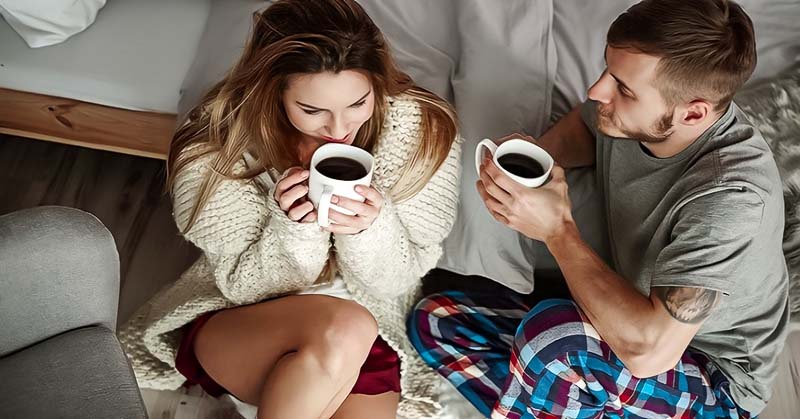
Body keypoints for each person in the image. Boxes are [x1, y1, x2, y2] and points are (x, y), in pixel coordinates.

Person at [409, 0, 789, 417]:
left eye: (623, 88)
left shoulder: (730, 200)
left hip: (711, 380)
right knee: (437, 318)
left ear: (694, 113)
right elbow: (586, 124)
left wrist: (557, 230)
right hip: (617, 332)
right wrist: (538, 161)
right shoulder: (631, 115)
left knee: (556, 341)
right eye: (608, 71)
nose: (597, 91)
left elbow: (650, 354)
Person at [118, 1, 461, 418]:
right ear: (273, 91)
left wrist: (369, 228)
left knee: (356, 328)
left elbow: (396, 280)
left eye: (358, 103)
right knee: (348, 325)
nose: (339, 130)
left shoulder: (421, 132)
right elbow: (244, 289)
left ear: (377, 82)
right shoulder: (214, 147)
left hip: (372, 338)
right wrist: (295, 227)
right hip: (245, 320)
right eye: (313, 110)